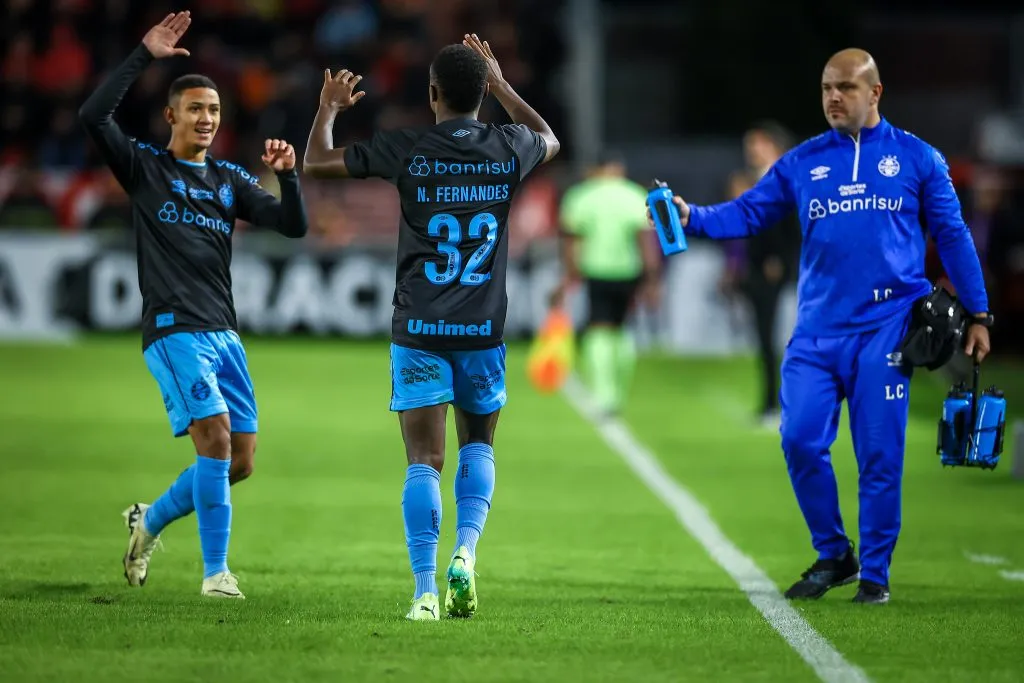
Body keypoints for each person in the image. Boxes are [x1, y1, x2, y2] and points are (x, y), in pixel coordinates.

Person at [650, 48, 991, 604]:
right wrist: (692, 216)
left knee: (879, 456)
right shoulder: (802, 161)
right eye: (828, 88)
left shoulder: (918, 159)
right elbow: (750, 211)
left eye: (847, 88)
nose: (834, 97)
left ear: (875, 93)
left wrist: (980, 313)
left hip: (886, 327)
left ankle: (876, 576)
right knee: (800, 439)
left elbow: (952, 236)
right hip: (816, 332)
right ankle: (835, 553)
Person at [303, 34, 558, 620]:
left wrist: (328, 110)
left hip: (419, 327)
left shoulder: (410, 149)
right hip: (481, 332)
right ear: (482, 94)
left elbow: (317, 161)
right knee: (479, 445)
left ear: (433, 94)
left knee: (423, 459)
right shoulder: (507, 146)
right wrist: (503, 86)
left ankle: (423, 591)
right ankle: (465, 555)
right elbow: (551, 138)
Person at [78, 11, 309, 599]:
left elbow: (292, 226)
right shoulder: (145, 168)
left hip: (223, 333)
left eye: (213, 111)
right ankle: (215, 573)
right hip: (171, 328)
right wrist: (143, 55)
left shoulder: (228, 180)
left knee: (241, 461)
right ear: (171, 116)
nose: (206, 119)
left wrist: (290, 178)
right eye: (195, 109)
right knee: (215, 437)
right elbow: (92, 115)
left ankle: (149, 520)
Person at [553, 151, 661, 417]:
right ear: (618, 168)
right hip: (628, 271)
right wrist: (652, 279)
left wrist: (568, 276)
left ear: (595, 169)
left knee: (598, 328)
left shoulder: (581, 196)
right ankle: (619, 391)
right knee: (622, 328)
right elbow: (646, 240)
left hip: (596, 270)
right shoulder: (634, 195)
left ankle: (604, 394)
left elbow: (571, 240)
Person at [720, 122, 801, 428]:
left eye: (757, 144)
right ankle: (770, 403)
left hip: (779, 271)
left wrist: (780, 260)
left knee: (785, 339)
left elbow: (793, 228)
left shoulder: (785, 179)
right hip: (755, 269)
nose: (750, 150)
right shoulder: (749, 180)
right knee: (765, 340)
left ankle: (784, 404)